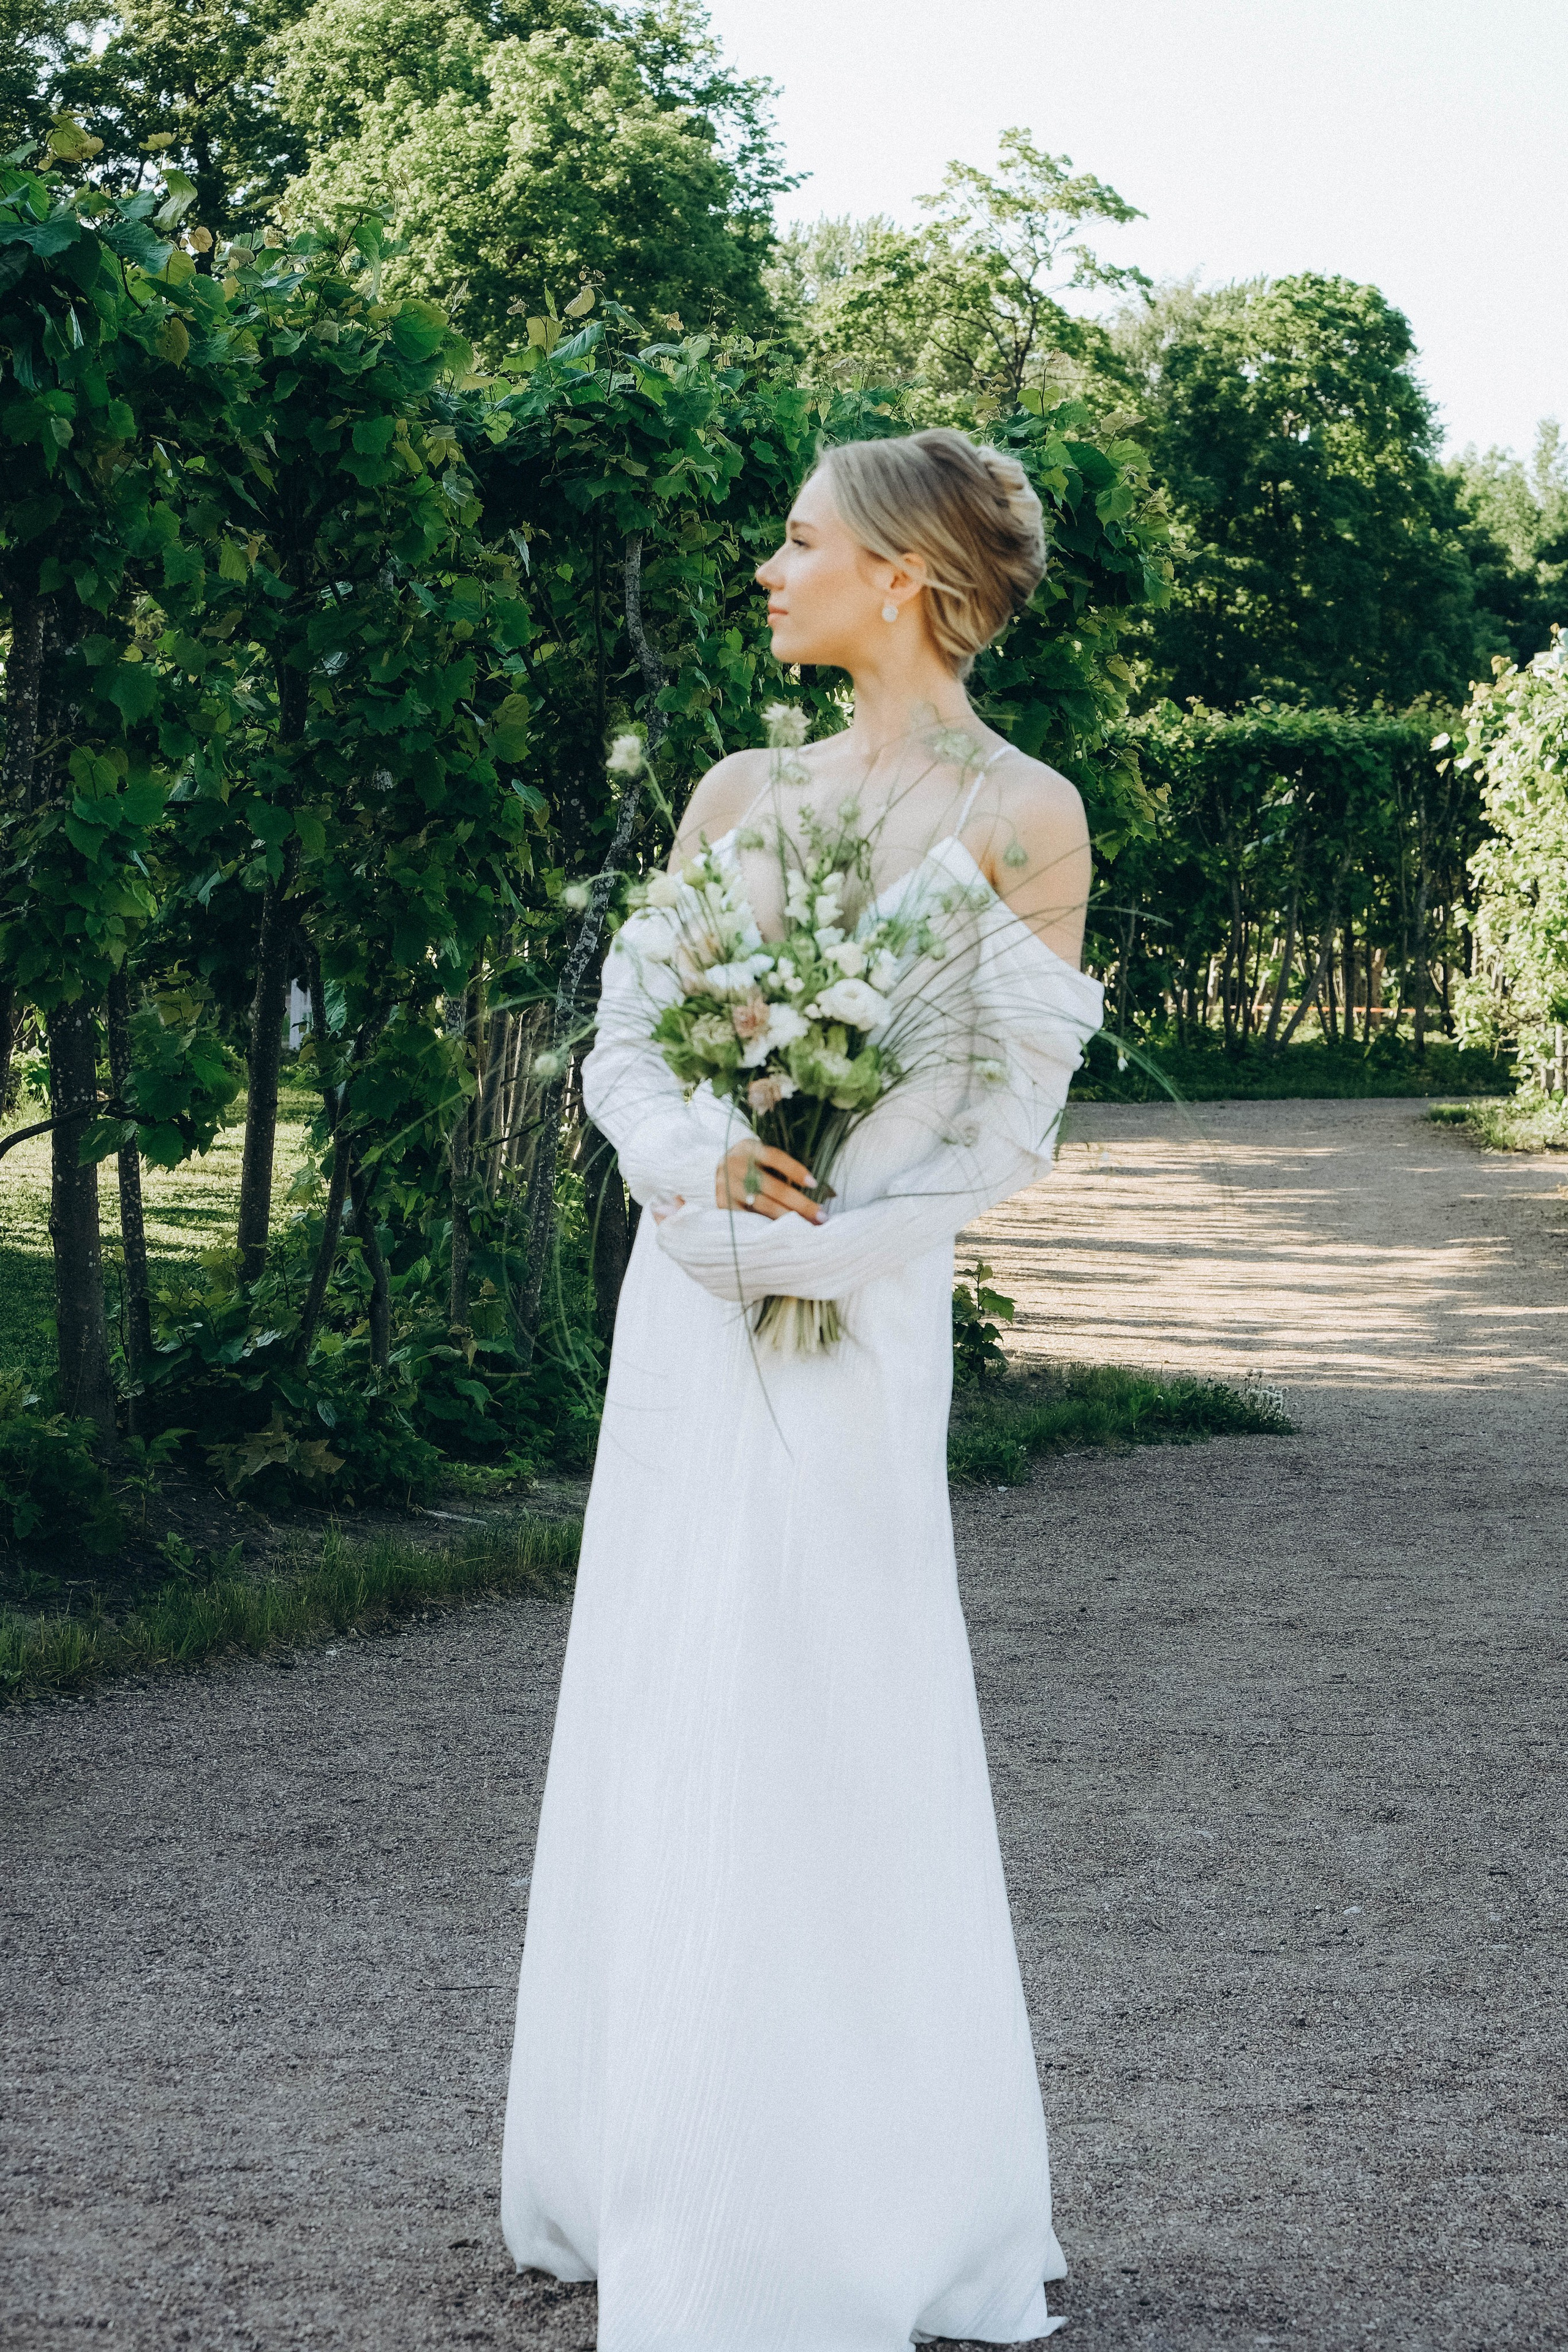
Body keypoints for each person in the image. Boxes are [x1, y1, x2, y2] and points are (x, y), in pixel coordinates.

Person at [500, 428, 1102, 2350]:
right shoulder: (741, 789)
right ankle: (654, 2164)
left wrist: (832, 1244)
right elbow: (632, 1043)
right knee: (675, 1692)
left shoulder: (1026, 815)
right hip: (692, 1312)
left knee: (832, 1705)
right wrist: (698, 1193)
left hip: (855, 1323)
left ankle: (858, 2201)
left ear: (905, 578)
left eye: (800, 539)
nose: (771, 569)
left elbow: (1006, 1125)